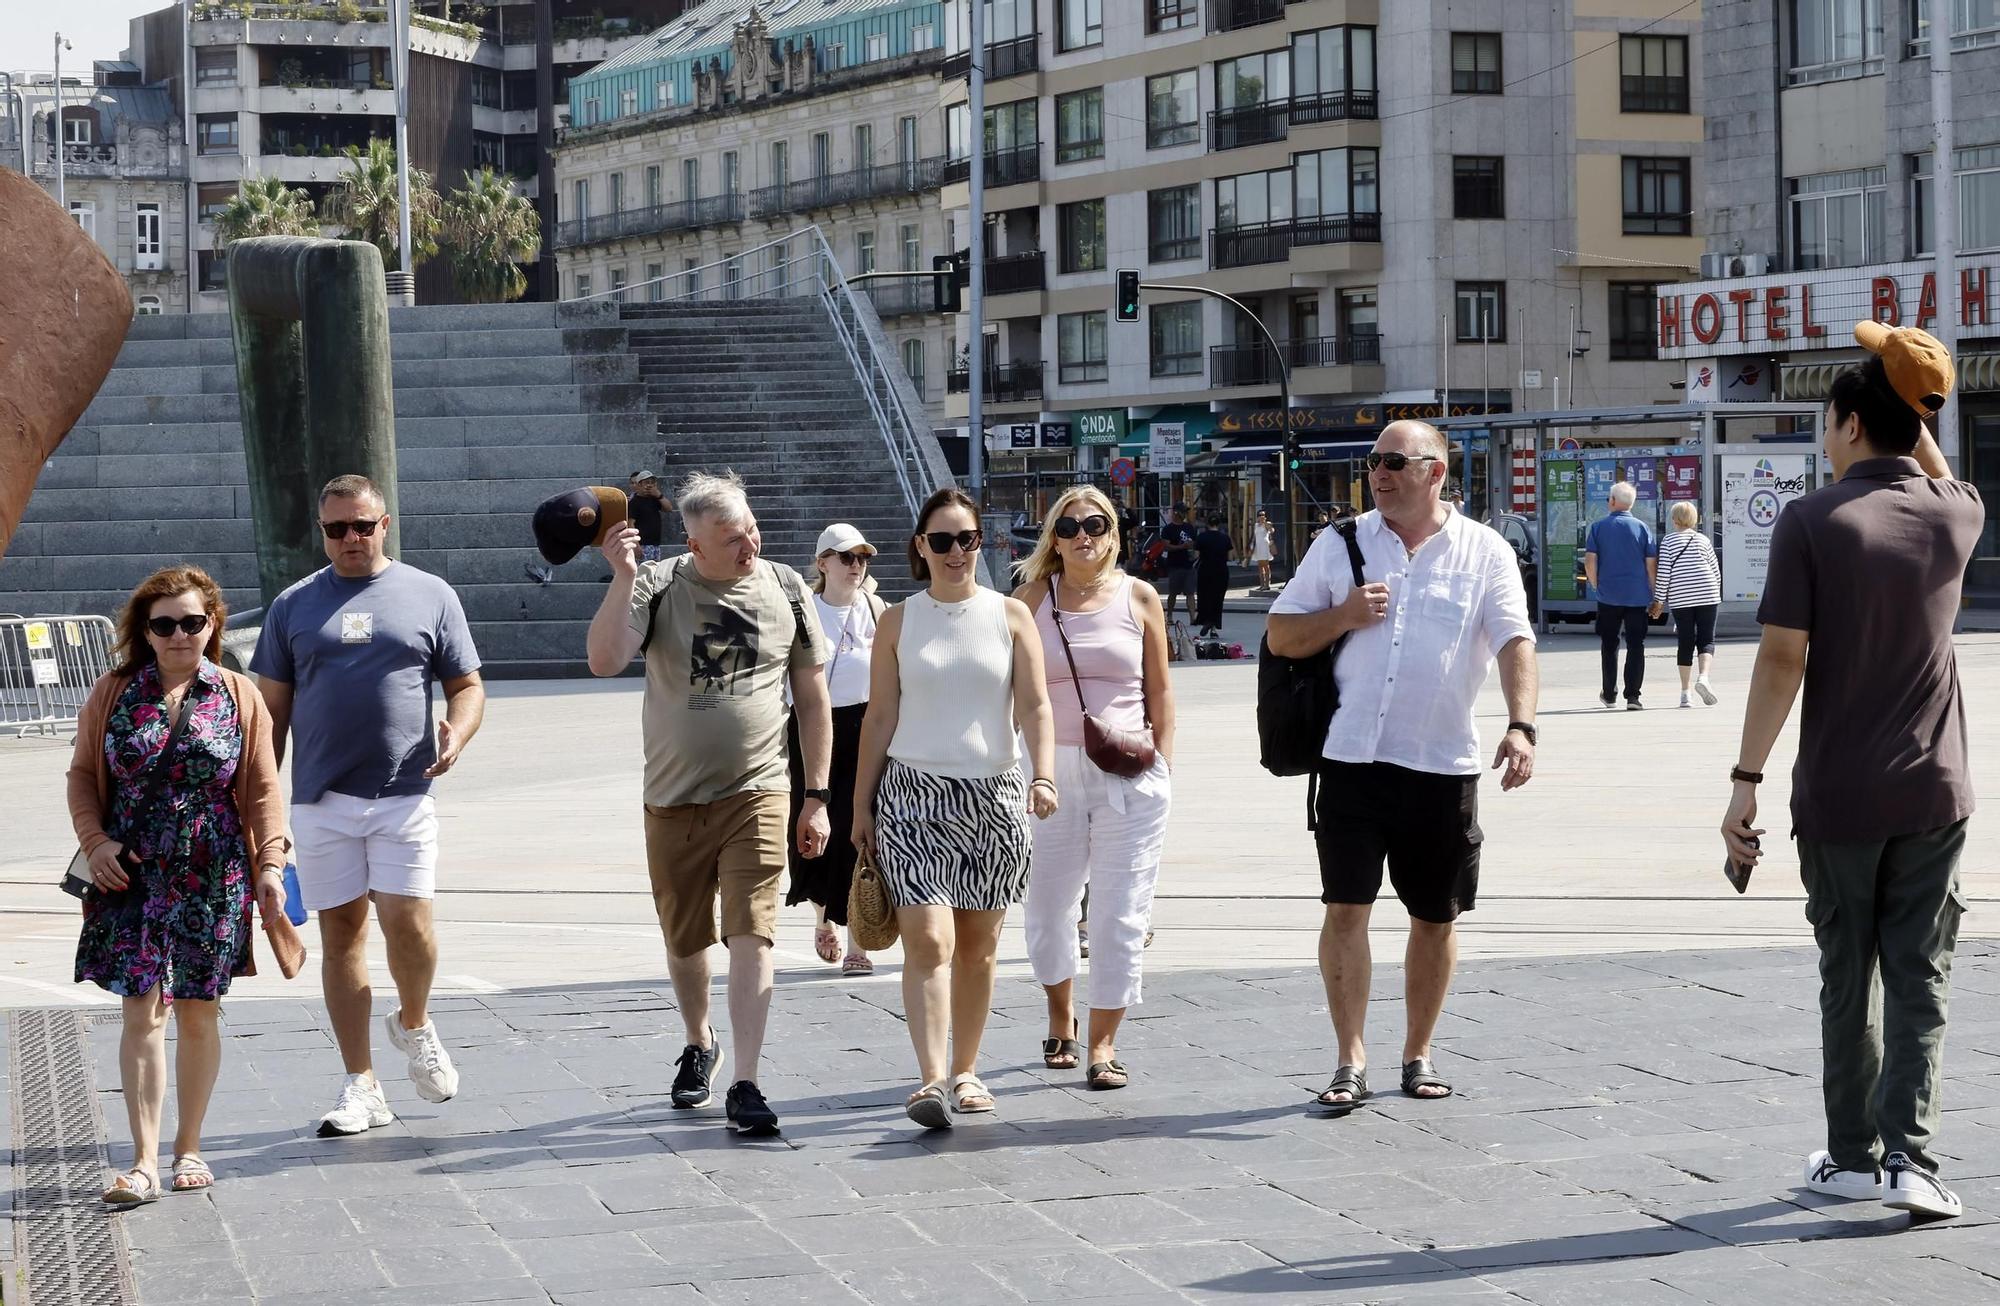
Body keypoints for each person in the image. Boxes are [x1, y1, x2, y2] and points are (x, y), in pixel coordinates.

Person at [1724, 323, 1982, 1222]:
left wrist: (1745, 778)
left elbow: (1781, 660)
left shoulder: (1812, 520)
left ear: (1849, 422)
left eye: (1827, 421)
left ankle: (1851, 1160)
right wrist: (1913, 394)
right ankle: (1913, 1159)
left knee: (1849, 975)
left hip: (1839, 792)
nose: (1823, 437)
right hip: (1935, 787)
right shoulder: (1959, 513)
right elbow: (1935, 469)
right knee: (1921, 973)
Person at [1267, 420, 1538, 1110]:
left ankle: (1418, 1052)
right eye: (1373, 462)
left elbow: (1515, 641)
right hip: (1351, 760)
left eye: (1393, 462)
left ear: (1435, 472)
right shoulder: (1340, 543)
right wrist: (1343, 615)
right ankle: (1349, 1059)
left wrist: (1521, 725)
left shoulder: (1485, 551)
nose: (1379, 474)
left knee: (1435, 917)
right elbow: (1280, 634)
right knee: (1345, 909)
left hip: (1442, 765)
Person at [587, 470, 833, 1136]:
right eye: (731, 540)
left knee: (752, 930)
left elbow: (813, 699)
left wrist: (816, 796)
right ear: (694, 545)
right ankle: (700, 1040)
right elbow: (605, 660)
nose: (749, 545)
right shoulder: (658, 583)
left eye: (751, 530)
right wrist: (620, 577)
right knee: (685, 936)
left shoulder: (787, 587)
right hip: (672, 797)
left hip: (759, 790)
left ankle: (747, 1082)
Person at [253, 474, 486, 1137]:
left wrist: (458, 731)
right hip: (321, 799)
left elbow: (467, 686)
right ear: (321, 532)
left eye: (362, 525)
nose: (350, 538)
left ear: (385, 524)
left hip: (404, 793)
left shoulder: (430, 594)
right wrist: (260, 807)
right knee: (342, 936)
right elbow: (269, 715)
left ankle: (414, 1021)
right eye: (336, 529)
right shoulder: (293, 605)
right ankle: (362, 1084)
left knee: (409, 926)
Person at [69, 566, 291, 1203]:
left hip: (213, 871)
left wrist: (270, 865)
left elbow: (263, 788)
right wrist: (96, 842)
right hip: (131, 870)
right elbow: (82, 776)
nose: (178, 635)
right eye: (163, 624)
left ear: (211, 624)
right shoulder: (114, 691)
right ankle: (143, 1161)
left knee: (196, 1010)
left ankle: (188, 1146)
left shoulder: (238, 694)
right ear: (145, 630)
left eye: (191, 622)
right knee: (141, 1009)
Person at [852, 487, 1057, 1129]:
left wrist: (1043, 776)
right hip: (912, 795)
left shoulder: (1010, 615)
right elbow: (878, 717)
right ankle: (930, 1079)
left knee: (978, 946)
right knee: (929, 939)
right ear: (921, 546)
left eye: (965, 539)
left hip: (994, 796)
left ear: (978, 542)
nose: (955, 552)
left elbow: (1036, 705)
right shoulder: (898, 621)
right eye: (940, 540)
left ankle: (967, 1071)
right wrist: (859, 806)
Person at [1013, 488, 1173, 1090]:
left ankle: (1104, 1042)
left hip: (1129, 770)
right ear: (1054, 539)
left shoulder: (1140, 597)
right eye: (1070, 526)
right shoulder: (1030, 600)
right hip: (1048, 772)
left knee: (1119, 913)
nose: (1084, 535)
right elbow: (1008, 689)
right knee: (1047, 906)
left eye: (1096, 524)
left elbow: (1160, 691)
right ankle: (1062, 1013)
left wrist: (1164, 765)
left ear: (1113, 534)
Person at [787, 523, 883, 976]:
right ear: (822, 562)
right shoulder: (804, 612)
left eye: (862, 558)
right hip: (812, 728)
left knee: (859, 829)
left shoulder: (878, 610)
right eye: (846, 557)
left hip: (867, 727)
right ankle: (824, 915)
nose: (856, 566)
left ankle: (858, 939)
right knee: (812, 828)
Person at [1584, 482, 1657, 710]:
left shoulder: (1598, 527)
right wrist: (1654, 593)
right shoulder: (1643, 528)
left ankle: (1609, 694)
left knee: (1609, 643)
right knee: (1636, 644)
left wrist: (1596, 584)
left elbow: (1590, 561)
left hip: (1608, 596)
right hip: (1637, 596)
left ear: (1613, 501)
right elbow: (1651, 564)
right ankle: (1633, 696)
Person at [1650, 501, 1722, 708]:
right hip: (1708, 593)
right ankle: (1704, 678)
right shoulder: (1703, 540)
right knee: (1706, 638)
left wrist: (1659, 601)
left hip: (1681, 596)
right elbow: (1715, 571)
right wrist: (1714, 593)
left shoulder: (1668, 541)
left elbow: (1664, 574)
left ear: (1674, 520)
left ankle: (1685, 694)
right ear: (1694, 519)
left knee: (1685, 641)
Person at [1192, 514, 1233, 636]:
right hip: (1221, 570)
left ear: (1207, 524)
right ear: (1218, 524)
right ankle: (1213, 627)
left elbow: (1196, 555)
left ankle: (1206, 620)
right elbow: (1231, 556)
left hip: (1205, 570)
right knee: (1218, 598)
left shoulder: (1202, 537)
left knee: (1204, 597)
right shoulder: (1225, 538)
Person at [1157, 503, 1197, 625]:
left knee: (1190, 592)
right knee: (1173, 592)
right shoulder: (1168, 529)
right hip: (1175, 565)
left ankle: (1193, 617)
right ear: (1176, 512)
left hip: (1189, 564)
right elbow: (1166, 546)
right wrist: (1181, 547)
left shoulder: (1189, 527)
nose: (1184, 514)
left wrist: (1193, 549)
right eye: (1182, 511)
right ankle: (1169, 615)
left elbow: (1194, 542)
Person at [630, 470, 672, 563]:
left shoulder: (654, 499)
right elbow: (630, 524)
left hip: (655, 544)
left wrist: (658, 495)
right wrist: (635, 544)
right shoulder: (634, 502)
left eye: (652, 483)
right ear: (639, 484)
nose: (649, 485)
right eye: (646, 483)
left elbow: (668, 508)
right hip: (642, 545)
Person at [1251, 511, 1275, 592]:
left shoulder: (1266, 524)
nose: (1262, 516)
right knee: (1260, 566)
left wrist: (1267, 524)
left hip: (1264, 546)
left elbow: (1272, 531)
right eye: (1260, 515)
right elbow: (1254, 536)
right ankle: (1262, 584)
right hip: (1258, 547)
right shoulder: (1256, 525)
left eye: (1263, 515)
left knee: (1266, 566)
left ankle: (1267, 584)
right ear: (1257, 517)